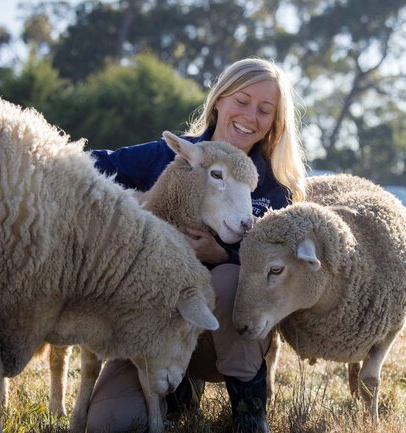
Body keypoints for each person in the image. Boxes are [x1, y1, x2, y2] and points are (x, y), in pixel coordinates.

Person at [85, 57, 307, 433]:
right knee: (110, 423)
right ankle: (179, 390)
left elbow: (280, 260)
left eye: (264, 110)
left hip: (222, 333)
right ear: (219, 99)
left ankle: (249, 412)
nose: (250, 115)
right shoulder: (171, 154)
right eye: (242, 100)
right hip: (150, 325)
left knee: (225, 281)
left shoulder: (273, 186)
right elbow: (92, 164)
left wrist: (224, 254)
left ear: (274, 122)